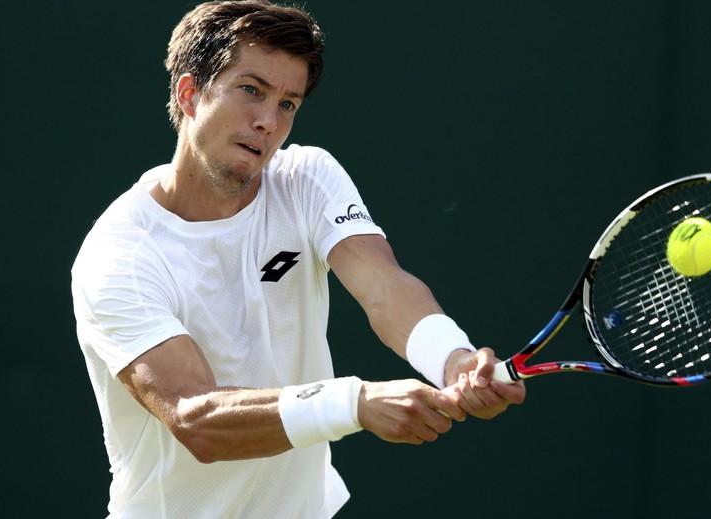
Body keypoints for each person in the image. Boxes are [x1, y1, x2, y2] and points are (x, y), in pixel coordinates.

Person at [70, 1, 526, 517]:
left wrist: (453, 359)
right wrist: (352, 403)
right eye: (251, 90)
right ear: (190, 94)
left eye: (288, 103)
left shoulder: (306, 178)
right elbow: (196, 417)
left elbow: (383, 287)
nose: (268, 121)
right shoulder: (119, 257)